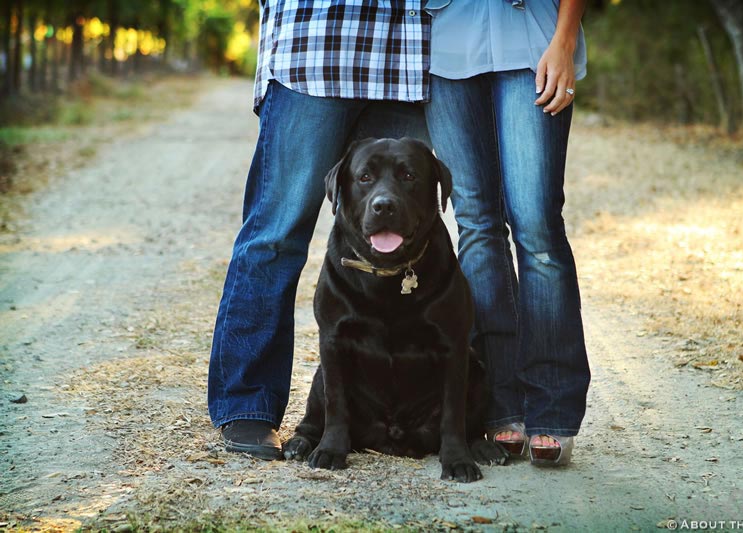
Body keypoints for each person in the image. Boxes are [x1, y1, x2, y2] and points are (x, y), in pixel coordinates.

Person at [207, 1, 431, 459]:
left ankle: (415, 412)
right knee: (277, 232)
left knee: (407, 239)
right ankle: (248, 402)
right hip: (319, 44)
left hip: (412, 54)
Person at [423, 0, 591, 466]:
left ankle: (552, 407)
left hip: (533, 41)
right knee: (476, 225)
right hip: (444, 46)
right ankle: (500, 403)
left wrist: (565, 39)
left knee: (536, 225)